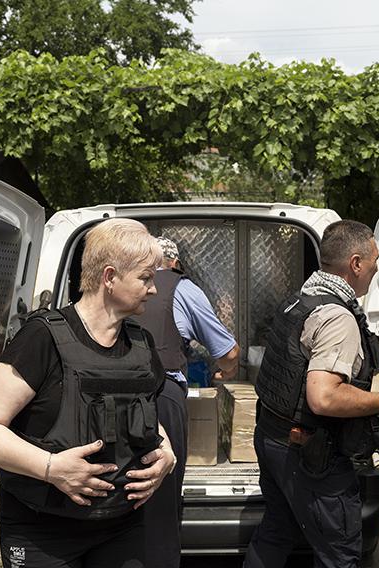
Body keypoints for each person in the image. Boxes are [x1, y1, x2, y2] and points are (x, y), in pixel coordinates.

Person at [0, 219, 177, 568]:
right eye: (145, 277)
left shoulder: (140, 343)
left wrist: (166, 453)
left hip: (121, 525)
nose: (154, 289)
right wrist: (52, 468)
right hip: (42, 529)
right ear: (109, 278)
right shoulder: (41, 338)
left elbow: (146, 411)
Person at [245, 220, 379, 568]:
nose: (378, 268)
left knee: (277, 530)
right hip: (311, 454)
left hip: (274, 439)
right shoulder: (337, 317)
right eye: (375, 260)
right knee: (339, 553)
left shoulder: (303, 297)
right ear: (355, 264)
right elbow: (324, 397)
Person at [132, 235, 240, 568]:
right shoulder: (182, 288)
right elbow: (228, 351)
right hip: (162, 395)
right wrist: (223, 374)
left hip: (111, 395)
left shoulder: (114, 287)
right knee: (162, 494)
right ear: (175, 264)